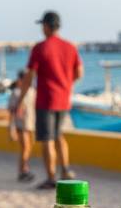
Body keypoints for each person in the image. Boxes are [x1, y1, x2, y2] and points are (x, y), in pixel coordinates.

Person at [13, 11, 84, 189]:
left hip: (46, 100)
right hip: (63, 100)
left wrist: (20, 99)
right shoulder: (70, 47)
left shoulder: (40, 48)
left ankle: (51, 178)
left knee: (47, 139)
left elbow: (29, 77)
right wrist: (66, 84)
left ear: (45, 26)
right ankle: (66, 169)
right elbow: (79, 73)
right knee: (59, 135)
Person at [7, 69, 36, 182]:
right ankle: (23, 170)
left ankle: (23, 169)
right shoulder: (16, 93)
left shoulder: (32, 91)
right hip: (21, 124)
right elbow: (11, 113)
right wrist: (11, 129)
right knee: (25, 147)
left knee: (29, 147)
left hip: (30, 123)